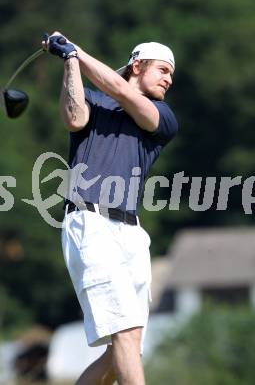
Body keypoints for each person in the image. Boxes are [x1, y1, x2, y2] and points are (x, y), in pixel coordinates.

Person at [42, 32, 178, 385]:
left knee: (123, 350)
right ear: (137, 65)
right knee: (126, 335)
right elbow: (73, 118)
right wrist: (70, 61)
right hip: (90, 222)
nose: (168, 79)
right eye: (163, 70)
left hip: (132, 235)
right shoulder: (93, 101)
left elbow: (121, 91)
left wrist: (76, 50)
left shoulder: (162, 116)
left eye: (171, 74)